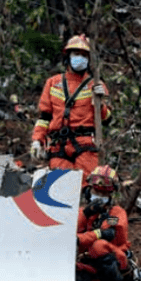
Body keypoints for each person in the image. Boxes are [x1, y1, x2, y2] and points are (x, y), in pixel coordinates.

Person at [31, 34, 111, 179]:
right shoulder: (53, 83)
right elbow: (44, 117)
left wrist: (100, 104)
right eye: (76, 54)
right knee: (60, 189)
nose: (79, 58)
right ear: (68, 56)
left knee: (86, 185)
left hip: (85, 145)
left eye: (84, 55)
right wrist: (37, 141)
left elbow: (106, 120)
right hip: (58, 145)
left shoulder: (95, 85)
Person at [76, 165, 132, 281]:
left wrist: (80, 239)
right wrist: (85, 214)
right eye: (96, 192)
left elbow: (107, 233)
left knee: (98, 246)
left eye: (104, 193)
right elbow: (71, 232)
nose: (99, 197)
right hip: (87, 260)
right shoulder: (82, 212)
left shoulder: (117, 213)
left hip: (114, 257)